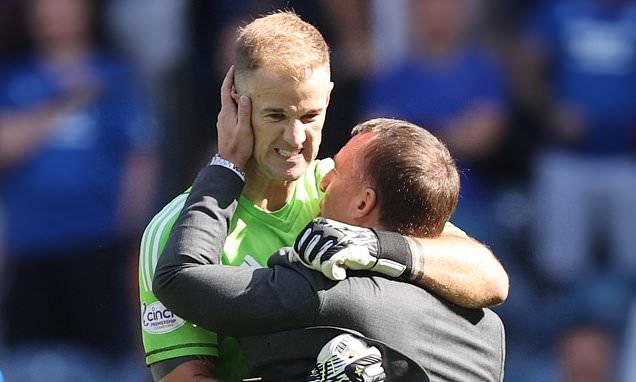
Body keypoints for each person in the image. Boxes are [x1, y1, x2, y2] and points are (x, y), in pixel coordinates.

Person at [139, 10, 508, 381]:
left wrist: (378, 247)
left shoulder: (344, 187)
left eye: (310, 115)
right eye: (276, 116)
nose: (296, 138)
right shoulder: (177, 230)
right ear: (235, 101)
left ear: (329, 97)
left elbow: (488, 276)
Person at [154, 118, 506, 381]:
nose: (322, 181)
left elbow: (178, 280)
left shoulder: (325, 290)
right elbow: (494, 281)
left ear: (364, 202)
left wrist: (228, 163)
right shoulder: (488, 335)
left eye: (336, 172)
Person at [0, 0, 157, 359]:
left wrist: (131, 233)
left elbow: (140, 157)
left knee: (102, 358)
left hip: (98, 243)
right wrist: (67, 102)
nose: (54, 16)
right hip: (31, 244)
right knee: (32, 359)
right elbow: (5, 144)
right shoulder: (13, 77)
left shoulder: (115, 76)